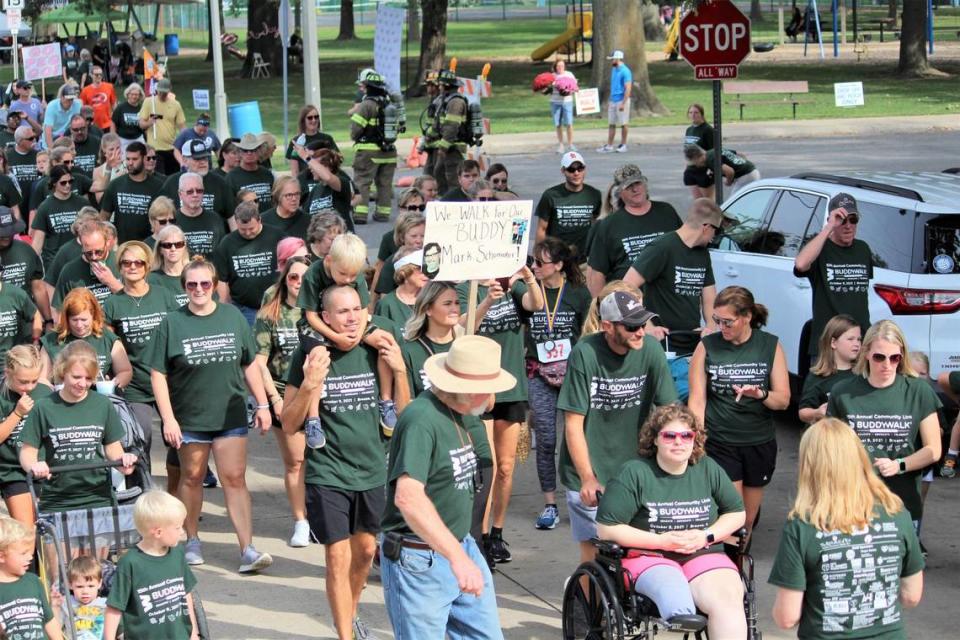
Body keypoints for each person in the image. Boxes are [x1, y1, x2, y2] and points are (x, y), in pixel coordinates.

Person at [281, 285, 410, 640]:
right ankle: (344, 635)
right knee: (337, 558)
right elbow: (289, 422)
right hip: (328, 471)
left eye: (357, 309)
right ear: (325, 318)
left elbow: (405, 411)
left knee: (366, 551)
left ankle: (349, 613)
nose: (352, 317)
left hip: (372, 469)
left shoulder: (378, 349)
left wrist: (399, 372)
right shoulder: (311, 355)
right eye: (342, 311)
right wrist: (309, 385)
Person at [146, 257, 274, 573]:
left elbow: (249, 364)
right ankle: (191, 540)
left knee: (234, 478)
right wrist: (169, 418)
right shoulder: (172, 322)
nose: (199, 289)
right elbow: (157, 373)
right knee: (191, 477)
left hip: (229, 414)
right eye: (192, 284)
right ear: (184, 287)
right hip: (189, 417)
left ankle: (247, 548)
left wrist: (262, 403)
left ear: (214, 286)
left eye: (205, 283)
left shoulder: (231, 317)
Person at [380, 335, 510, 640]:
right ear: (468, 390)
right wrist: (457, 558)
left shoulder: (464, 414)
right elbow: (408, 497)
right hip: (419, 560)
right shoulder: (421, 420)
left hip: (460, 547)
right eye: (488, 388)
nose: (492, 397)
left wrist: (463, 554)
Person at [597, 404, 748, 637]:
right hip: (649, 556)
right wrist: (661, 541)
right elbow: (606, 528)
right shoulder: (634, 472)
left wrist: (706, 535)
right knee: (675, 598)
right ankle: (680, 614)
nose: (679, 442)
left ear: (695, 438)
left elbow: (737, 512)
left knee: (727, 600)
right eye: (670, 435)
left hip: (702, 552)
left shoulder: (707, 468)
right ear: (655, 439)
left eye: (686, 435)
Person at [769, 418, 924, 637]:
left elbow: (786, 618)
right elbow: (912, 596)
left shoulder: (803, 526)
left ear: (809, 466)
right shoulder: (897, 514)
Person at [558, 289, 677, 563]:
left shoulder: (650, 349)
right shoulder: (585, 353)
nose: (640, 332)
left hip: (633, 469)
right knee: (595, 554)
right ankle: (585, 602)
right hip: (589, 469)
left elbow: (671, 410)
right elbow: (573, 423)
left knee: (638, 551)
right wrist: (587, 477)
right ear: (608, 326)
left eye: (643, 324)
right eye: (632, 326)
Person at [688, 285, 790, 548]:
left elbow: (783, 400)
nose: (721, 327)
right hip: (721, 441)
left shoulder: (770, 345)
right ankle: (730, 574)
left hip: (758, 441)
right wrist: (696, 440)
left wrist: (760, 394)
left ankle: (742, 571)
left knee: (747, 519)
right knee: (732, 515)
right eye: (717, 320)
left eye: (728, 322)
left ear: (746, 317)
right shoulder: (707, 346)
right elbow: (697, 400)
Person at [458, 266, 544, 564]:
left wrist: (528, 277)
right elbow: (462, 328)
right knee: (488, 465)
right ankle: (479, 536)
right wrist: (486, 301)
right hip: (480, 388)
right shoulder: (467, 286)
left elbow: (536, 304)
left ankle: (496, 532)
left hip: (512, 387)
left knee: (506, 467)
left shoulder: (512, 284)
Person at [826, 320, 941, 529]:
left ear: (902, 356)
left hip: (903, 504)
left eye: (894, 357)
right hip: (855, 502)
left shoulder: (918, 391)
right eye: (880, 357)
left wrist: (899, 465)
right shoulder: (842, 392)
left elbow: (933, 450)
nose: (887, 364)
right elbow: (830, 447)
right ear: (866, 352)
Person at [20, 341, 137, 512]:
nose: (82, 384)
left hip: (98, 497)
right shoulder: (43, 407)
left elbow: (113, 449)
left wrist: (124, 462)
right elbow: (27, 452)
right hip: (57, 499)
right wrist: (34, 466)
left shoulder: (103, 404)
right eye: (76, 377)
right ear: (62, 371)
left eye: (89, 378)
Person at [524, 237, 591, 530]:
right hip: (538, 371)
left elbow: (589, 330)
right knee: (547, 439)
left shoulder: (577, 293)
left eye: (541, 262)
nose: (535, 267)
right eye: (533, 261)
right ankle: (550, 503)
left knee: (577, 437)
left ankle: (582, 494)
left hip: (572, 373)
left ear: (559, 265)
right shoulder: (530, 292)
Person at [102, 240, 180, 469]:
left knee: (176, 440)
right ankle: (142, 492)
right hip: (136, 385)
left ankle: (176, 492)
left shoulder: (164, 296)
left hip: (169, 380)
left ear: (147, 266)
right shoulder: (113, 304)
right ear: (120, 267)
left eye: (138, 262)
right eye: (127, 262)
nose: (133, 267)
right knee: (140, 438)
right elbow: (110, 345)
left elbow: (179, 333)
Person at [254, 256, 311, 546]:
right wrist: (273, 400)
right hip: (282, 393)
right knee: (295, 461)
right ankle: (301, 520)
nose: (298, 283)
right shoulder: (270, 314)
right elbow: (259, 363)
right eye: (293, 277)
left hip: (319, 396)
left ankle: (319, 515)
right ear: (284, 280)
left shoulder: (320, 311)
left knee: (321, 461)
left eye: (304, 277)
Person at [624, 198, 724, 352]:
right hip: (662, 343)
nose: (713, 237)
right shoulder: (662, 247)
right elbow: (625, 287)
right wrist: (646, 325)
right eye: (715, 231)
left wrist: (710, 327)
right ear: (706, 227)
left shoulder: (702, 254)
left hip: (692, 341)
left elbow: (709, 299)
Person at [105, 490, 200, 640]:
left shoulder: (177, 554)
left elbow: (186, 594)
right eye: (177, 528)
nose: (182, 532)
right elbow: (114, 607)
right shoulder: (130, 562)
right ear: (158, 532)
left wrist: (194, 632)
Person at [794, 192, 874, 359]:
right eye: (842, 220)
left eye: (853, 220)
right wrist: (829, 227)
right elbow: (801, 264)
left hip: (859, 343)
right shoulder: (821, 249)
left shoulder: (863, 249)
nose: (848, 225)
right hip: (828, 345)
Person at [586, 165, 682, 295]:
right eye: (629, 186)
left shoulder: (667, 212)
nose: (635, 189)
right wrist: (600, 308)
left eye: (638, 183)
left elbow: (685, 249)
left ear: (644, 184)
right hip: (628, 305)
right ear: (620, 192)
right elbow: (596, 273)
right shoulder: (609, 225)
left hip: (668, 300)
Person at [40, 287, 132, 392]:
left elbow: (125, 371)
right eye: (74, 320)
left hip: (99, 398)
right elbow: (42, 379)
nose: (79, 325)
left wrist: (113, 383)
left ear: (93, 316)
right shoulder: (51, 341)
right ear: (66, 318)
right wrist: (52, 389)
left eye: (84, 320)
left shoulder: (107, 338)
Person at [0, 346, 50, 526]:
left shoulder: (45, 393)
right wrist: (17, 413)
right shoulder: (2, 396)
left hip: (43, 466)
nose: (29, 387)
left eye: (34, 381)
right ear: (8, 373)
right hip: (12, 471)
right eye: (23, 381)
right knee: (26, 531)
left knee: (47, 529)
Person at [212, 200, 284, 324]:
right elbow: (222, 280)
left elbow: (291, 264)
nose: (248, 233)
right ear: (236, 222)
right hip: (245, 309)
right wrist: (224, 306)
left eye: (251, 228)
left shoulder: (277, 236)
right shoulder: (227, 243)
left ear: (259, 220)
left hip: (276, 305)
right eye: (242, 229)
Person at [0, 517, 63, 639]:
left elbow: (49, 621)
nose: (30, 557)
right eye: (23, 553)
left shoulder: (33, 581)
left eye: (30, 552)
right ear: (1, 556)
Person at [535, 151, 602, 261]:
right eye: (571, 169)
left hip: (584, 260)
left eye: (580, 168)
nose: (576, 173)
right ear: (563, 171)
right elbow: (541, 229)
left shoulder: (594, 194)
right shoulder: (550, 195)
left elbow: (595, 224)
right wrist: (539, 258)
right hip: (557, 259)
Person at [350, 72, 397, 224]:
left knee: (362, 182)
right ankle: (383, 214)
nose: (362, 88)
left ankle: (360, 215)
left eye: (364, 86)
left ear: (369, 88)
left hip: (368, 152)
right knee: (384, 184)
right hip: (389, 151)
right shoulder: (389, 105)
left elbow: (356, 129)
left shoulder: (366, 105)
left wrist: (355, 137)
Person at [797, 314, 861, 424]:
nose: (856, 344)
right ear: (833, 343)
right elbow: (803, 412)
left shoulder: (862, 374)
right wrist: (817, 412)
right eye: (850, 339)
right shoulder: (818, 376)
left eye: (859, 339)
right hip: (827, 436)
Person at [98, 141, 164, 243]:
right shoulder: (115, 185)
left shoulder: (158, 186)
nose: (130, 163)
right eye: (128, 159)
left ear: (144, 158)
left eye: (134, 159)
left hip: (148, 246)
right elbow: (104, 217)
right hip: (121, 245)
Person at [51, 221, 123, 313]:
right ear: (81, 245)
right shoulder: (69, 271)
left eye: (99, 252)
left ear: (107, 242)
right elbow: (59, 311)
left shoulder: (122, 262)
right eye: (88, 253)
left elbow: (136, 301)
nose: (94, 257)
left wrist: (111, 282)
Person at [162, 139, 237, 227]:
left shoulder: (220, 182)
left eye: (205, 158)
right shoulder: (172, 183)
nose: (203, 162)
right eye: (197, 159)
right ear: (185, 160)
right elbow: (160, 215)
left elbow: (231, 216)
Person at [32, 164, 91, 269]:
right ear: (54, 183)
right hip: (54, 262)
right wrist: (31, 265)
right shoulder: (45, 206)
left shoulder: (82, 203)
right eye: (63, 183)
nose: (68, 185)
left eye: (70, 181)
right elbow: (37, 242)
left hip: (79, 259)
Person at [0, 207, 50, 323]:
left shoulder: (26, 251)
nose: (7, 236)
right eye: (2, 233)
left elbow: (38, 288)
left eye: (10, 232)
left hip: (25, 323)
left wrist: (48, 320)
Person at [372, 205, 425, 304]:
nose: (419, 241)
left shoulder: (431, 258)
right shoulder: (392, 262)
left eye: (423, 236)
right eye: (413, 236)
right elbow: (385, 298)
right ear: (401, 237)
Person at [433, 70, 471, 196]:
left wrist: (443, 147)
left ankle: (457, 204)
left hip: (453, 147)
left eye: (441, 85)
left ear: (446, 86)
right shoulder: (446, 100)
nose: (439, 87)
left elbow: (452, 126)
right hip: (448, 146)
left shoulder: (456, 102)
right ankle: (443, 202)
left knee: (453, 178)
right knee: (439, 173)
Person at [137, 78, 186, 176]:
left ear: (169, 91)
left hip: (172, 148)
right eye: (160, 92)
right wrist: (149, 123)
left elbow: (182, 127)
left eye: (165, 92)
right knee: (160, 178)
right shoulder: (149, 102)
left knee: (173, 177)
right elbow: (141, 124)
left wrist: (184, 143)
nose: (162, 94)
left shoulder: (175, 105)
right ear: (157, 89)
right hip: (155, 149)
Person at [175, 172, 227, 259]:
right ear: (180, 194)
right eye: (190, 192)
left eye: (199, 191)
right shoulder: (173, 220)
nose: (195, 195)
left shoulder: (215, 219)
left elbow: (222, 252)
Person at [683, 144, 760, 199]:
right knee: (746, 199)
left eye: (695, 162)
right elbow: (741, 155)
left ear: (696, 157)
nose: (697, 165)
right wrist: (743, 165)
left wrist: (728, 182)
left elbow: (730, 171)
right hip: (753, 170)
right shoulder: (714, 151)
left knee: (733, 202)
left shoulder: (710, 160)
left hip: (745, 176)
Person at [301, 147, 353, 226]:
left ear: (329, 167)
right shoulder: (315, 189)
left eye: (315, 165)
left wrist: (307, 157)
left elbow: (328, 178)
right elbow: (305, 217)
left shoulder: (342, 183)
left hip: (340, 237)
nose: (310, 168)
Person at [375, 249, 427, 325]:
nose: (426, 272)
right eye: (420, 268)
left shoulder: (432, 299)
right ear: (403, 272)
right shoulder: (387, 304)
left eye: (427, 267)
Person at [61, 555, 108, 640]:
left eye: (90, 586)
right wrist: (54, 606)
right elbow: (54, 626)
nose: (85, 591)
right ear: (70, 584)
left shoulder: (106, 605)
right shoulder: (66, 603)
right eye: (79, 587)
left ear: (99, 583)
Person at [226, 133, 275, 213]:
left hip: (268, 222)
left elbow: (273, 200)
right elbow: (229, 208)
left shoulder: (267, 174)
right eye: (245, 150)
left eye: (253, 150)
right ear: (240, 152)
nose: (249, 153)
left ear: (259, 151)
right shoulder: (231, 177)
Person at [597, 50, 632, 154]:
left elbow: (628, 88)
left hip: (622, 100)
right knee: (611, 124)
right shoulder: (614, 70)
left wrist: (623, 103)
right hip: (613, 100)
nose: (611, 61)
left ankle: (623, 144)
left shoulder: (625, 71)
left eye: (612, 59)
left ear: (617, 59)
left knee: (623, 123)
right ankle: (609, 145)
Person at [286, 104, 338, 174]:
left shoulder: (327, 138)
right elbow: (294, 170)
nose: (314, 120)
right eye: (310, 118)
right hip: (304, 181)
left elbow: (337, 159)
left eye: (316, 117)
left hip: (324, 179)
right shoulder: (295, 141)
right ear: (303, 120)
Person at [147, 224, 191, 306]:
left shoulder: (194, 275)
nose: (173, 249)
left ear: (184, 247)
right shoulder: (151, 280)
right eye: (167, 245)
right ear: (160, 249)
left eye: (178, 244)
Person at [262, 175, 308, 240]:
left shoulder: (308, 221)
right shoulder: (264, 221)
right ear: (278, 196)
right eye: (289, 195)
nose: (294, 199)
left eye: (297, 194)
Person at [549, 59, 577, 153]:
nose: (560, 67)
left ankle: (570, 144)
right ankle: (561, 145)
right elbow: (548, 90)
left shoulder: (569, 74)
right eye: (558, 66)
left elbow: (575, 87)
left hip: (567, 102)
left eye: (562, 65)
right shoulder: (552, 76)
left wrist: (569, 91)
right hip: (555, 102)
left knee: (569, 123)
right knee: (558, 124)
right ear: (555, 67)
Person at [79, 66, 116, 134]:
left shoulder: (109, 87)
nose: (99, 76)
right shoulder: (85, 90)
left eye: (100, 74)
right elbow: (82, 108)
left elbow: (114, 104)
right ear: (91, 75)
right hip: (92, 124)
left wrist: (115, 118)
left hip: (107, 123)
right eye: (96, 75)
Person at [43, 84, 82, 149]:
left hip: (67, 138)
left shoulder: (77, 104)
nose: (70, 102)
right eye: (68, 99)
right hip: (52, 138)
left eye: (72, 99)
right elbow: (48, 130)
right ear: (62, 97)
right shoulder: (51, 106)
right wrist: (51, 149)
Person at [7, 125, 39, 199]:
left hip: (34, 202)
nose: (34, 140)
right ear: (20, 141)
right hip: (16, 201)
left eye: (35, 137)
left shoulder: (39, 156)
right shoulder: (7, 157)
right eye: (30, 138)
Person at [112, 83, 145, 151]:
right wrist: (114, 138)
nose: (134, 96)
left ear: (140, 96)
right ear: (128, 94)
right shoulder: (121, 107)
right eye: (132, 94)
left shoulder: (142, 108)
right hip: (123, 140)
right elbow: (113, 123)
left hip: (138, 138)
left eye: (136, 94)